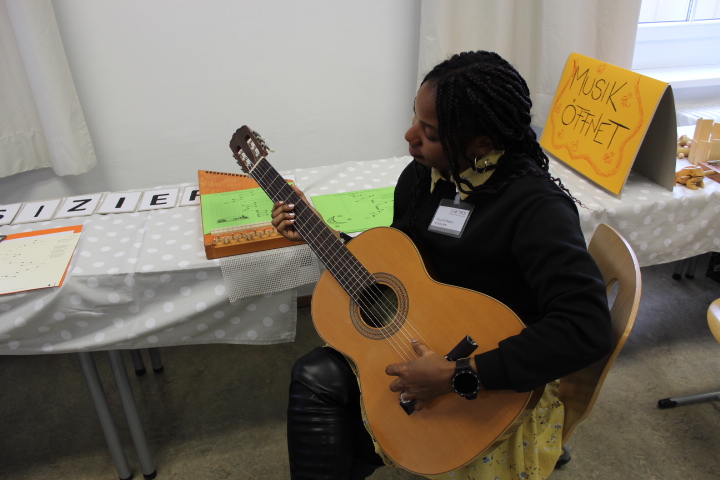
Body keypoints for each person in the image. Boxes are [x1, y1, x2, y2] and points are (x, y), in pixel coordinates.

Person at [271, 50, 612, 480]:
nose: (410, 135)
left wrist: (459, 374)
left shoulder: (537, 208)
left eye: (429, 132)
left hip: (492, 378)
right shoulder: (422, 178)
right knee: (314, 376)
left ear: (481, 145)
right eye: (415, 118)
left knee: (323, 400)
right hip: (424, 331)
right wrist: (325, 236)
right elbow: (403, 265)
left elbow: (587, 327)